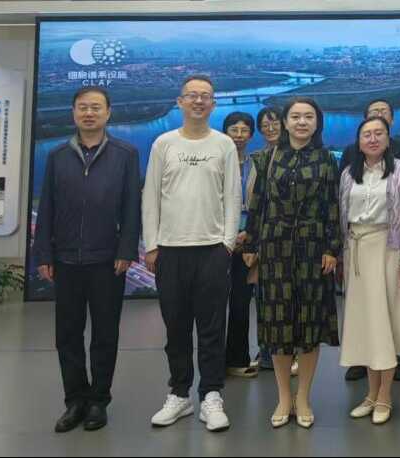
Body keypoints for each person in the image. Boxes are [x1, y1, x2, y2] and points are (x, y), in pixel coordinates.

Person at [33, 86, 140, 433]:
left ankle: (98, 401)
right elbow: (47, 206)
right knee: (67, 334)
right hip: (65, 259)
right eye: (83, 107)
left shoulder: (125, 154)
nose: (89, 113)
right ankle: (75, 400)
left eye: (95, 107)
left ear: (108, 113)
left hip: (108, 260)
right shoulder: (58, 155)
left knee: (105, 335)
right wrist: (44, 253)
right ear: (74, 113)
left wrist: (126, 250)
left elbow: (132, 207)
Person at [143, 75, 241, 432]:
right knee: (177, 327)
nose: (199, 101)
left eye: (205, 96)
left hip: (212, 250)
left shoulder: (224, 144)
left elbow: (232, 196)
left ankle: (211, 395)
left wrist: (227, 243)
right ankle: (180, 394)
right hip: (170, 250)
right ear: (180, 102)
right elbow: (150, 196)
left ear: (213, 104)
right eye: (192, 96)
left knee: (212, 328)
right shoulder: (163, 143)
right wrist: (151, 244)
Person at [246, 96, 341, 429]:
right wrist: (251, 243)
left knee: (309, 325)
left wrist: (332, 248)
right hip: (275, 248)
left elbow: (333, 207)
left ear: (317, 123)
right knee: (278, 324)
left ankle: (303, 397)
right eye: (296, 116)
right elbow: (257, 204)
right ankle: (284, 397)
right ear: (285, 122)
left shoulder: (326, 159)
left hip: (314, 249)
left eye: (308, 117)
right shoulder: (267, 158)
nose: (302, 122)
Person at [339, 117, 400, 425]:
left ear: (388, 139)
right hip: (356, 251)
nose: (372, 139)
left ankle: (385, 395)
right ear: (359, 141)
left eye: (378, 134)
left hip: (388, 250)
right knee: (365, 326)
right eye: (366, 134)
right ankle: (370, 395)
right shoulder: (349, 173)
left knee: (386, 324)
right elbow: (342, 216)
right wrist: (343, 257)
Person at [246, 106, 293, 374]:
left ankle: (289, 352)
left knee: (288, 299)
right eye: (265, 125)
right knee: (264, 298)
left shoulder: (294, 156)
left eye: (275, 123)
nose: (271, 128)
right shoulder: (259, 157)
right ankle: (266, 351)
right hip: (262, 237)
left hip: (289, 240)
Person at [222, 111, 259, 379]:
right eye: (233, 129)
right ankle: (213, 363)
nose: (238, 135)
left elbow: (261, 203)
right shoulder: (215, 161)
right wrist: (226, 234)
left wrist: (248, 233)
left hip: (247, 241)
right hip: (217, 241)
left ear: (251, 135)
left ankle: (237, 359)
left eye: (244, 130)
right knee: (212, 306)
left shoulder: (256, 164)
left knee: (240, 303)